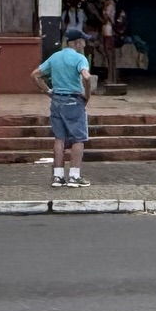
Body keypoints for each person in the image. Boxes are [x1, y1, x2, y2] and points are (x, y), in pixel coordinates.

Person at [35, 27, 93, 190]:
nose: (84, 43)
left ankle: (58, 176)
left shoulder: (55, 57)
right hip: (74, 101)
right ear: (76, 42)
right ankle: (74, 176)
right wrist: (87, 95)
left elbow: (35, 74)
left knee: (59, 139)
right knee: (78, 139)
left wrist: (48, 91)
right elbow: (86, 77)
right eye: (83, 41)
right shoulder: (80, 58)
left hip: (57, 100)